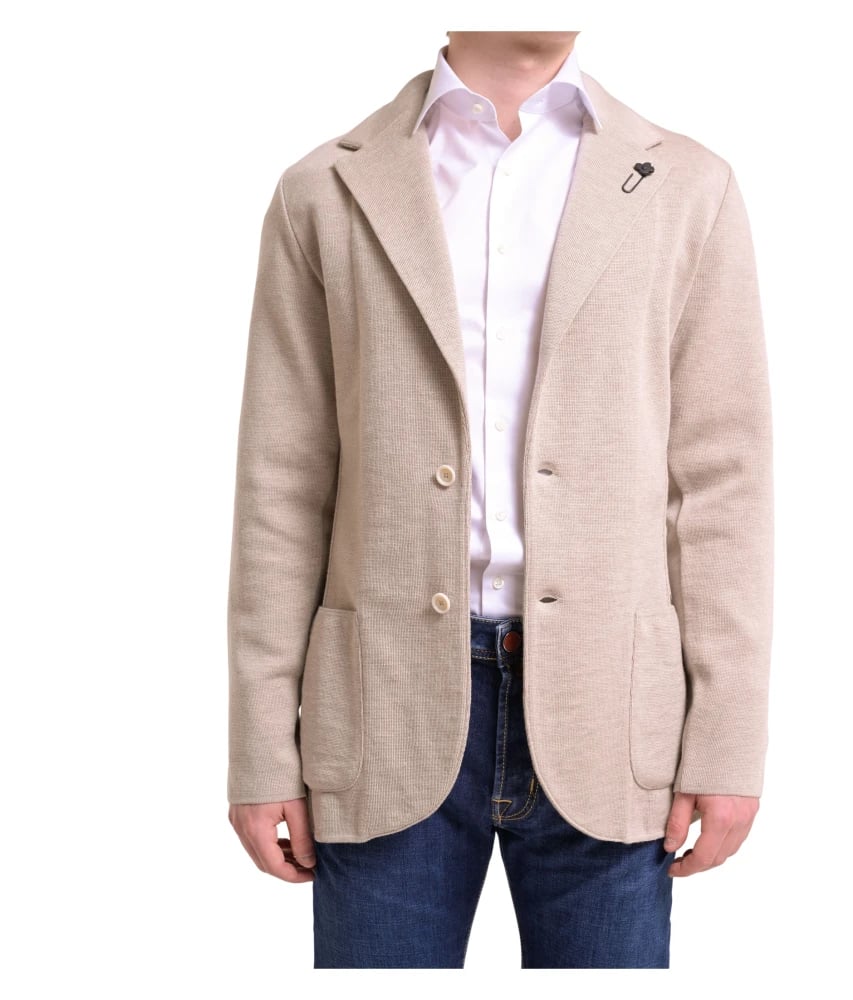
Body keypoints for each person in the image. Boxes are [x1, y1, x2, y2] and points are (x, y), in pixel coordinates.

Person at [226, 30, 774, 969]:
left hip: (610, 707)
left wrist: (727, 740)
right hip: (382, 703)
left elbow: (722, 483)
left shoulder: (689, 186)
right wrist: (260, 746)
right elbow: (283, 480)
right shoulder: (324, 189)